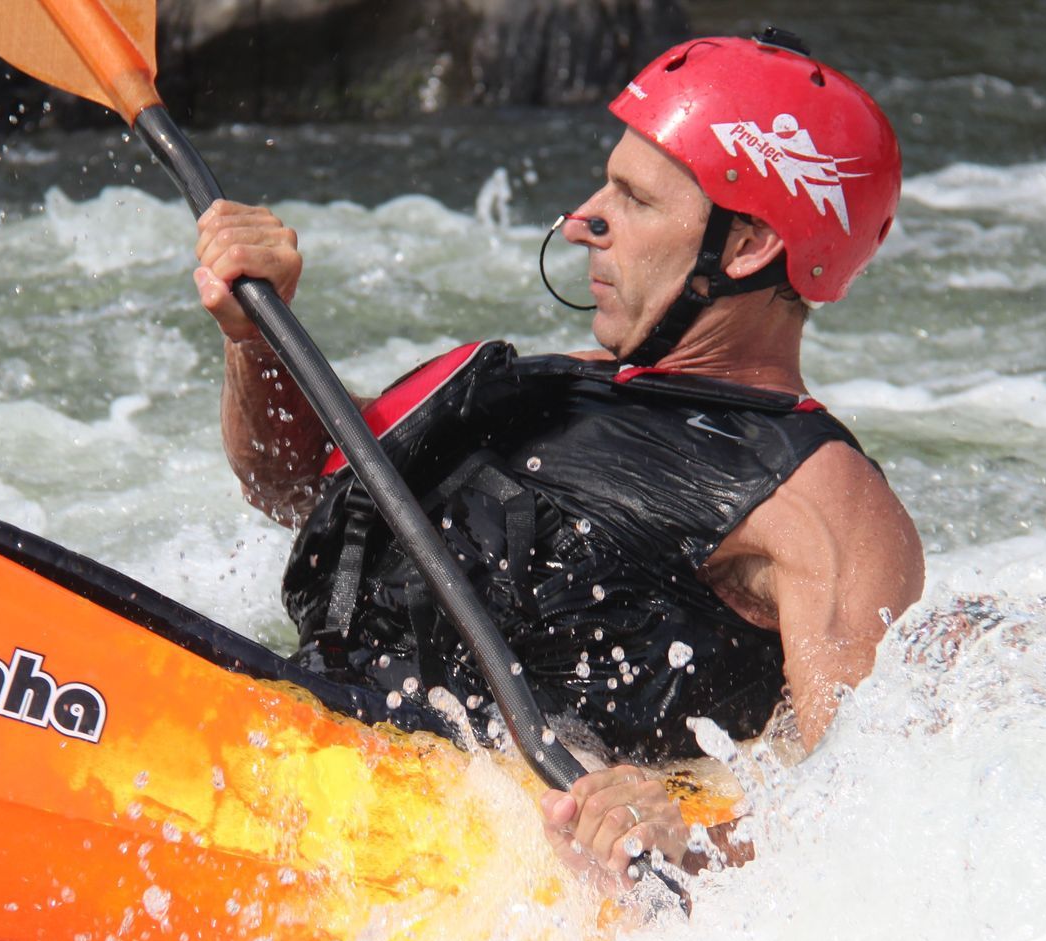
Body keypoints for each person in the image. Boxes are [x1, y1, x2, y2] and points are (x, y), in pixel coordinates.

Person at [190, 32, 924, 896]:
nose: (584, 219)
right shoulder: (549, 390)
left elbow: (871, 826)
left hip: (437, 877)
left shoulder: (822, 503)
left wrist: (677, 839)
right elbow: (285, 486)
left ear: (749, 245)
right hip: (283, 754)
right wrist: (254, 336)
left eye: (636, 200)